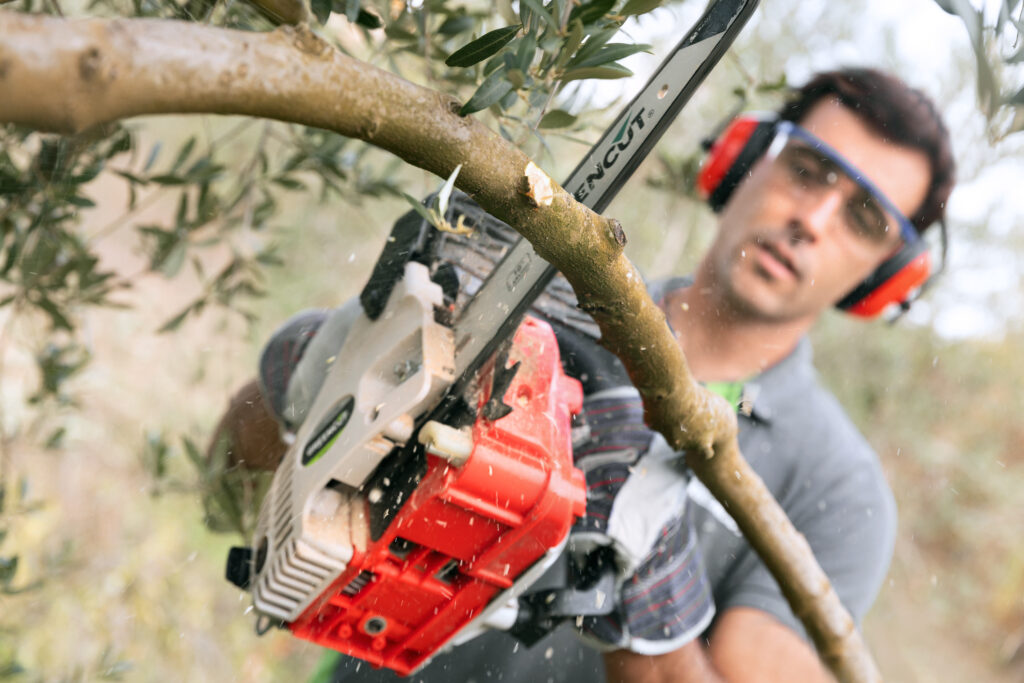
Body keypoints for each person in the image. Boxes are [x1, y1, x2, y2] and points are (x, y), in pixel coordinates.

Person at [207, 67, 955, 682]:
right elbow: (224, 488)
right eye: (808, 169)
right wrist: (335, 376)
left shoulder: (837, 485)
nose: (814, 219)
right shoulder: (549, 313)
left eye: (863, 216)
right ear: (744, 157)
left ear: (885, 276)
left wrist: (650, 572)